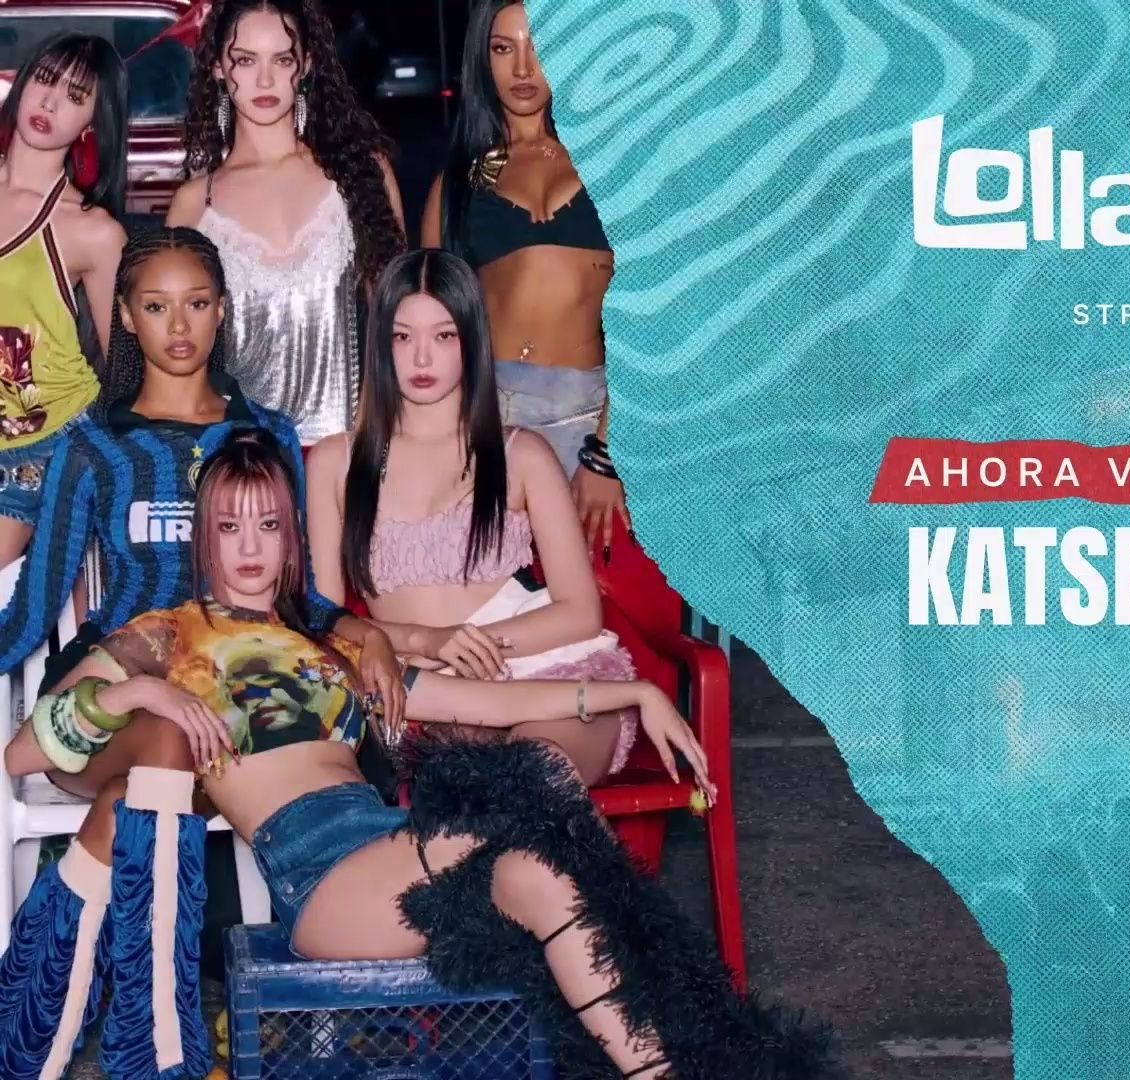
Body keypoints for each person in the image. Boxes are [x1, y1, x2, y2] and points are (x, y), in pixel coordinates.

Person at [0, 432, 835, 1080]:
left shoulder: (332, 648)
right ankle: (727, 1048)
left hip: (395, 846)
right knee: (537, 805)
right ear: (204, 541)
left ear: (292, 542)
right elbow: (27, 750)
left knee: (546, 872)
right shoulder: (168, 636)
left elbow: (485, 703)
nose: (249, 547)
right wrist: (143, 696)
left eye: (268, 525)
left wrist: (634, 694)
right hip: (323, 879)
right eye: (228, 526)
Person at [0, 226, 404, 709]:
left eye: (196, 303)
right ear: (127, 316)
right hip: (128, 676)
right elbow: (32, 613)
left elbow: (300, 595)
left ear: (221, 309)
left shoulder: (268, 435)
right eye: (156, 307)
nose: (178, 326)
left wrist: (369, 635)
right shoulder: (95, 447)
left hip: (247, 670)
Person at [309, 249, 638, 782]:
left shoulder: (521, 454)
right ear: (380, 343)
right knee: (477, 790)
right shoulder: (335, 462)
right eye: (402, 336)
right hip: (423, 691)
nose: (422, 357)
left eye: (443, 335)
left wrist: (464, 647)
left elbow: (580, 613)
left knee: (536, 776)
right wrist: (425, 642)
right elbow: (325, 624)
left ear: (472, 339)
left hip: (549, 671)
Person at [423, 0, 627, 561]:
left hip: (594, 416)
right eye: (502, 48)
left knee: (606, 598)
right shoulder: (458, 185)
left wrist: (605, 453)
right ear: (482, 59)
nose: (522, 68)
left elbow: (656, 326)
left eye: (539, 47)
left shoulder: (614, 166)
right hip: (490, 421)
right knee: (499, 598)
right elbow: (429, 330)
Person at [167, 0, 407, 447]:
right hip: (239, 460)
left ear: (306, 65)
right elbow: (177, 354)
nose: (265, 80)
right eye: (245, 60)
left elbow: (398, 322)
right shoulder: (195, 204)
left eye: (281, 60)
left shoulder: (360, 175)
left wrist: (371, 440)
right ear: (218, 68)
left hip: (349, 450)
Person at [0, 33, 129, 565]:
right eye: (46, 80)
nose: (50, 103)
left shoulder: (91, 231)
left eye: (76, 97)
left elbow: (125, 365)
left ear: (92, 122)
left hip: (43, 442)